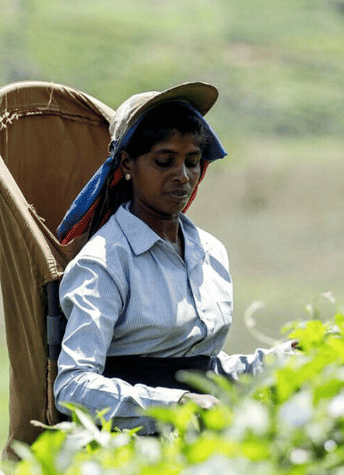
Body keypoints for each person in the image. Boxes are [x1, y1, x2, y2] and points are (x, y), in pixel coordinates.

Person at [54, 82, 295, 434]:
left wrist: (280, 360)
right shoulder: (104, 264)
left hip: (203, 440)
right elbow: (73, 387)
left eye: (192, 162)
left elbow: (202, 371)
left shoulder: (210, 252)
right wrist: (173, 405)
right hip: (130, 449)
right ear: (127, 164)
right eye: (164, 161)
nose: (182, 176)